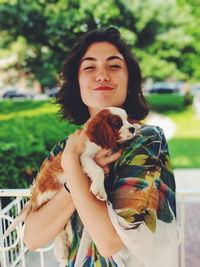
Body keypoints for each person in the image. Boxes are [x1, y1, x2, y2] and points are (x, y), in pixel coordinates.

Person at [23, 27, 179, 267]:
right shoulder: (67, 148)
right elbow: (32, 238)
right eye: (89, 67)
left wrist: (74, 168)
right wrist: (74, 170)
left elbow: (109, 243)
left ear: (130, 80)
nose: (102, 75)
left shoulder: (145, 139)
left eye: (114, 66)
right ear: (77, 82)